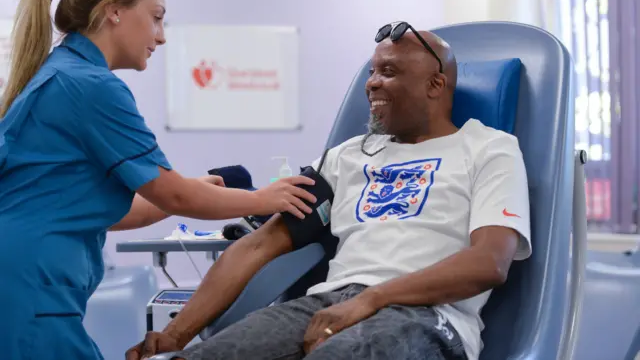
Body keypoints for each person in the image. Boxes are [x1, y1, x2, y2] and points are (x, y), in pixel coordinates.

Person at [127, 24, 532, 360]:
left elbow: (488, 263)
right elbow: (257, 247)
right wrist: (175, 335)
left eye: (388, 72)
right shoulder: (346, 157)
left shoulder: (489, 148)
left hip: (428, 314)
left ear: (435, 84)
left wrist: (371, 299)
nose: (371, 84)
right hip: (329, 303)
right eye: (372, 72)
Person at [0, 0, 317, 360]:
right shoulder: (89, 86)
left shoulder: (62, 75)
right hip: (30, 285)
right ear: (113, 10)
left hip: (26, 277)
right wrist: (263, 199)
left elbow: (108, 209)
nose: (162, 35)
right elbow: (177, 196)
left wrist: (187, 194)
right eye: (156, 17)